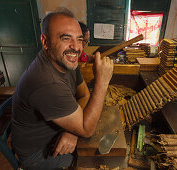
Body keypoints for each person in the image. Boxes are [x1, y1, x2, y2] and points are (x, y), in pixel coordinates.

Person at [11, 7, 113, 170]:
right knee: (94, 161)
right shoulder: (47, 83)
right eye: (66, 38)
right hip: (37, 154)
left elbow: (84, 94)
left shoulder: (66, 60)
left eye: (80, 39)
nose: (76, 48)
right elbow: (87, 130)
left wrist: (73, 131)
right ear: (45, 42)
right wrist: (102, 82)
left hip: (54, 132)